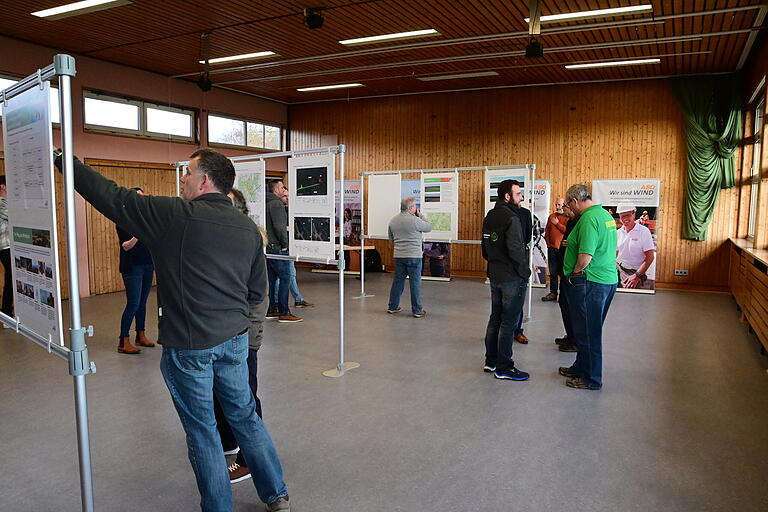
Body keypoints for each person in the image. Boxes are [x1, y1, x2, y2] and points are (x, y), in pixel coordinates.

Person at [56, 149, 291, 512]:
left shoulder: (172, 215)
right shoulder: (247, 228)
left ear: (205, 180)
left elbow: (110, 196)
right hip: (234, 342)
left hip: (190, 348)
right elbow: (257, 293)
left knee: (203, 431)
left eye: (188, 172)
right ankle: (277, 495)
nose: (182, 178)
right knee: (245, 418)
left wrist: (63, 161)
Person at [217, 188, 269, 484]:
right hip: (226, 333)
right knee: (220, 391)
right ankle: (228, 440)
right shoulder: (229, 240)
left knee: (245, 395)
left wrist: (248, 336)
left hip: (243, 335)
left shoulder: (247, 241)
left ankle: (249, 460)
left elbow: (256, 297)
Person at [560, 184, 618, 391]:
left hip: (590, 282)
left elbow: (585, 257)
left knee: (588, 332)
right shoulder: (604, 215)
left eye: (568, 204)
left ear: (575, 201)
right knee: (587, 329)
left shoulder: (588, 219)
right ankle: (580, 367)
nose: (568, 208)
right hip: (606, 280)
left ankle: (591, 379)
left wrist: (575, 274)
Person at [482, 179, 531, 381]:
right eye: (518, 193)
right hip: (512, 277)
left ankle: (491, 361)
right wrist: (524, 272)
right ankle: (504, 367)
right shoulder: (512, 217)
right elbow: (516, 249)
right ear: (507, 196)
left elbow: (484, 249)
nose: (521, 197)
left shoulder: (490, 216)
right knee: (508, 322)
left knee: (496, 318)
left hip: (495, 274)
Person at [115, 187, 155, 354]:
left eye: (142, 197)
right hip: (132, 267)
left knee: (143, 302)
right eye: (137, 197)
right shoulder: (123, 220)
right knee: (133, 303)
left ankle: (141, 335)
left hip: (147, 264)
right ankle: (123, 341)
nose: (140, 200)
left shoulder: (146, 218)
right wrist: (139, 232)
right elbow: (126, 246)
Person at [387, 197, 431, 317]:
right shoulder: (415, 220)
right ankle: (417, 310)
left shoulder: (393, 221)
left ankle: (392, 306)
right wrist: (419, 214)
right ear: (411, 208)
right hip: (414, 256)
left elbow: (391, 240)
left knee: (398, 282)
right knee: (415, 283)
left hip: (399, 256)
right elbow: (429, 226)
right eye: (415, 206)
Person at [265, 180, 302, 322]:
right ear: (276, 189)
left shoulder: (267, 202)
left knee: (273, 279)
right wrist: (285, 244)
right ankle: (284, 312)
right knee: (286, 277)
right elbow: (280, 227)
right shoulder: (277, 204)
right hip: (278, 248)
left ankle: (271, 310)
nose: (284, 189)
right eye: (282, 187)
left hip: (268, 247)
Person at [272, 186, 312, 309]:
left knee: (290, 274)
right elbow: (279, 228)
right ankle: (280, 301)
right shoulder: (279, 209)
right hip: (283, 247)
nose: (288, 198)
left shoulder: (289, 209)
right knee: (284, 275)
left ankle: (297, 299)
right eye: (285, 195)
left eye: (289, 196)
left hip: (289, 245)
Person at [554, 204, 579, 353]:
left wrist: (572, 243)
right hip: (564, 270)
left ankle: (575, 340)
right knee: (563, 303)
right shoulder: (570, 221)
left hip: (572, 272)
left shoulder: (581, 222)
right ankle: (570, 336)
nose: (563, 209)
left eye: (565, 206)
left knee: (570, 306)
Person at [615, 203, 656, 290]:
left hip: (633, 271)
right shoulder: (618, 232)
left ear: (634, 213)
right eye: (622, 216)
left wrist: (637, 275)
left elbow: (650, 257)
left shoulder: (643, 232)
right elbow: (615, 253)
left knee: (630, 299)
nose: (625, 219)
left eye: (627, 215)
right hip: (618, 268)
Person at [512, 202, 533, 344]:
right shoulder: (497, 214)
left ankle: (517, 331)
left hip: (520, 262)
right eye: (518, 194)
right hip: (503, 267)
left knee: (518, 300)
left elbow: (527, 237)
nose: (521, 197)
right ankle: (502, 331)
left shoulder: (525, 214)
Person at [542, 197, 568, 302]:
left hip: (563, 249)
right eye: (556, 204)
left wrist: (557, 224)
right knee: (553, 272)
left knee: (562, 273)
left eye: (559, 204)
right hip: (552, 249)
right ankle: (553, 293)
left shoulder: (568, 217)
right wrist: (548, 244)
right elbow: (547, 230)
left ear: (564, 205)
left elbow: (566, 231)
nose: (557, 207)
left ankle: (563, 295)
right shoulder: (551, 216)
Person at [0, 176, 13, 319]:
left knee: (11, 278)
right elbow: (14, 216)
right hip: (5, 247)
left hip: (10, 247)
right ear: (3, 187)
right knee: (11, 278)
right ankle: (6, 314)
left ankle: (7, 312)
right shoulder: (1, 203)